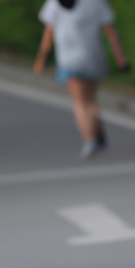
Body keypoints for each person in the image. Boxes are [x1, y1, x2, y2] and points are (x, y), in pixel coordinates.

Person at [33, 0, 128, 158]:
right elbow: (111, 32)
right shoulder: (97, 3)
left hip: (69, 60)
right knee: (91, 99)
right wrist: (121, 59)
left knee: (80, 102)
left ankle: (90, 139)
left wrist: (41, 59)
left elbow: (48, 33)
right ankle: (96, 132)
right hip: (93, 57)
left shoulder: (54, 4)